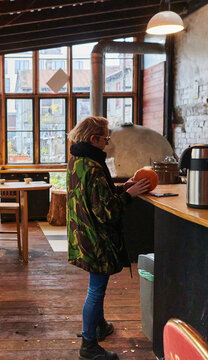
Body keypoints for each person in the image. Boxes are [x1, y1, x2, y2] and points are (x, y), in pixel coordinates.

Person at [67, 116, 150, 360]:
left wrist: (123, 187)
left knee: (97, 287)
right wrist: (130, 195)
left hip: (83, 235)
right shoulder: (93, 166)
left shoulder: (76, 161)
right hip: (97, 240)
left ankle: (99, 326)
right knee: (96, 290)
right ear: (94, 139)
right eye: (105, 138)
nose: (107, 142)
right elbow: (107, 211)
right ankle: (89, 346)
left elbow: (95, 197)